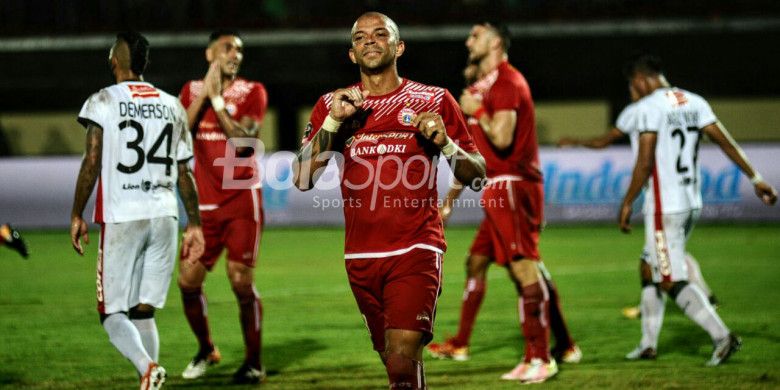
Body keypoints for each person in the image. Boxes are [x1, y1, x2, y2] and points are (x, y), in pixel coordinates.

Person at [293, 12, 485, 389]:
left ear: (398, 47)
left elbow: (477, 174)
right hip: (360, 257)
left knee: (401, 360)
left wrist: (445, 143)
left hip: (416, 248)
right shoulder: (334, 105)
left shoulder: (434, 99)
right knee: (399, 367)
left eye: (380, 34)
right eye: (360, 37)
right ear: (351, 54)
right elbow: (301, 178)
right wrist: (333, 123)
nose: (370, 41)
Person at [618, 54, 777, 365]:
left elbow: (645, 161)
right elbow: (725, 141)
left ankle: (722, 337)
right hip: (691, 202)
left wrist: (627, 202)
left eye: (632, 84)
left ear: (640, 79)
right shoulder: (694, 101)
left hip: (665, 207)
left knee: (668, 277)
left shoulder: (650, 107)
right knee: (648, 265)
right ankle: (648, 344)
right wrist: (756, 178)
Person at [428, 49, 580, 371]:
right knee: (477, 262)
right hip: (494, 194)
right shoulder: (469, 106)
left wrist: (479, 109)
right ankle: (462, 343)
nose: (469, 70)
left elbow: (503, 140)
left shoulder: (495, 95)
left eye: (474, 64)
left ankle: (549, 352)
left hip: (509, 190)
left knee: (524, 268)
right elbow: (470, 161)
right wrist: (450, 201)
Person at [69, 31, 205, 390]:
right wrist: (196, 225)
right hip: (164, 215)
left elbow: (93, 159)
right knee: (143, 309)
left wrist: (76, 214)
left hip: (122, 214)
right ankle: (151, 380)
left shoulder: (103, 100)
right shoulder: (172, 104)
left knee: (112, 313)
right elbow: (184, 172)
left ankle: (147, 368)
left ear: (114, 61)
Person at [557, 87, 719, 321]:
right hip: (688, 193)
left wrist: (577, 142)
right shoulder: (679, 106)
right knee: (669, 253)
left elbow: (609, 141)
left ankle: (712, 327)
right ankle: (698, 301)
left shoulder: (639, 110)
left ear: (638, 82)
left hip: (663, 197)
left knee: (654, 262)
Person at [176, 29, 268, 384]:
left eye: (239, 49)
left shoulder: (252, 91)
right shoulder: (189, 91)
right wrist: (207, 93)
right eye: (227, 47)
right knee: (187, 281)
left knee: (240, 281)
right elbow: (181, 128)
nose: (235, 54)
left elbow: (244, 144)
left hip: (242, 202)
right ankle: (206, 349)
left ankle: (254, 362)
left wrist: (218, 103)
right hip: (203, 208)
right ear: (209, 52)